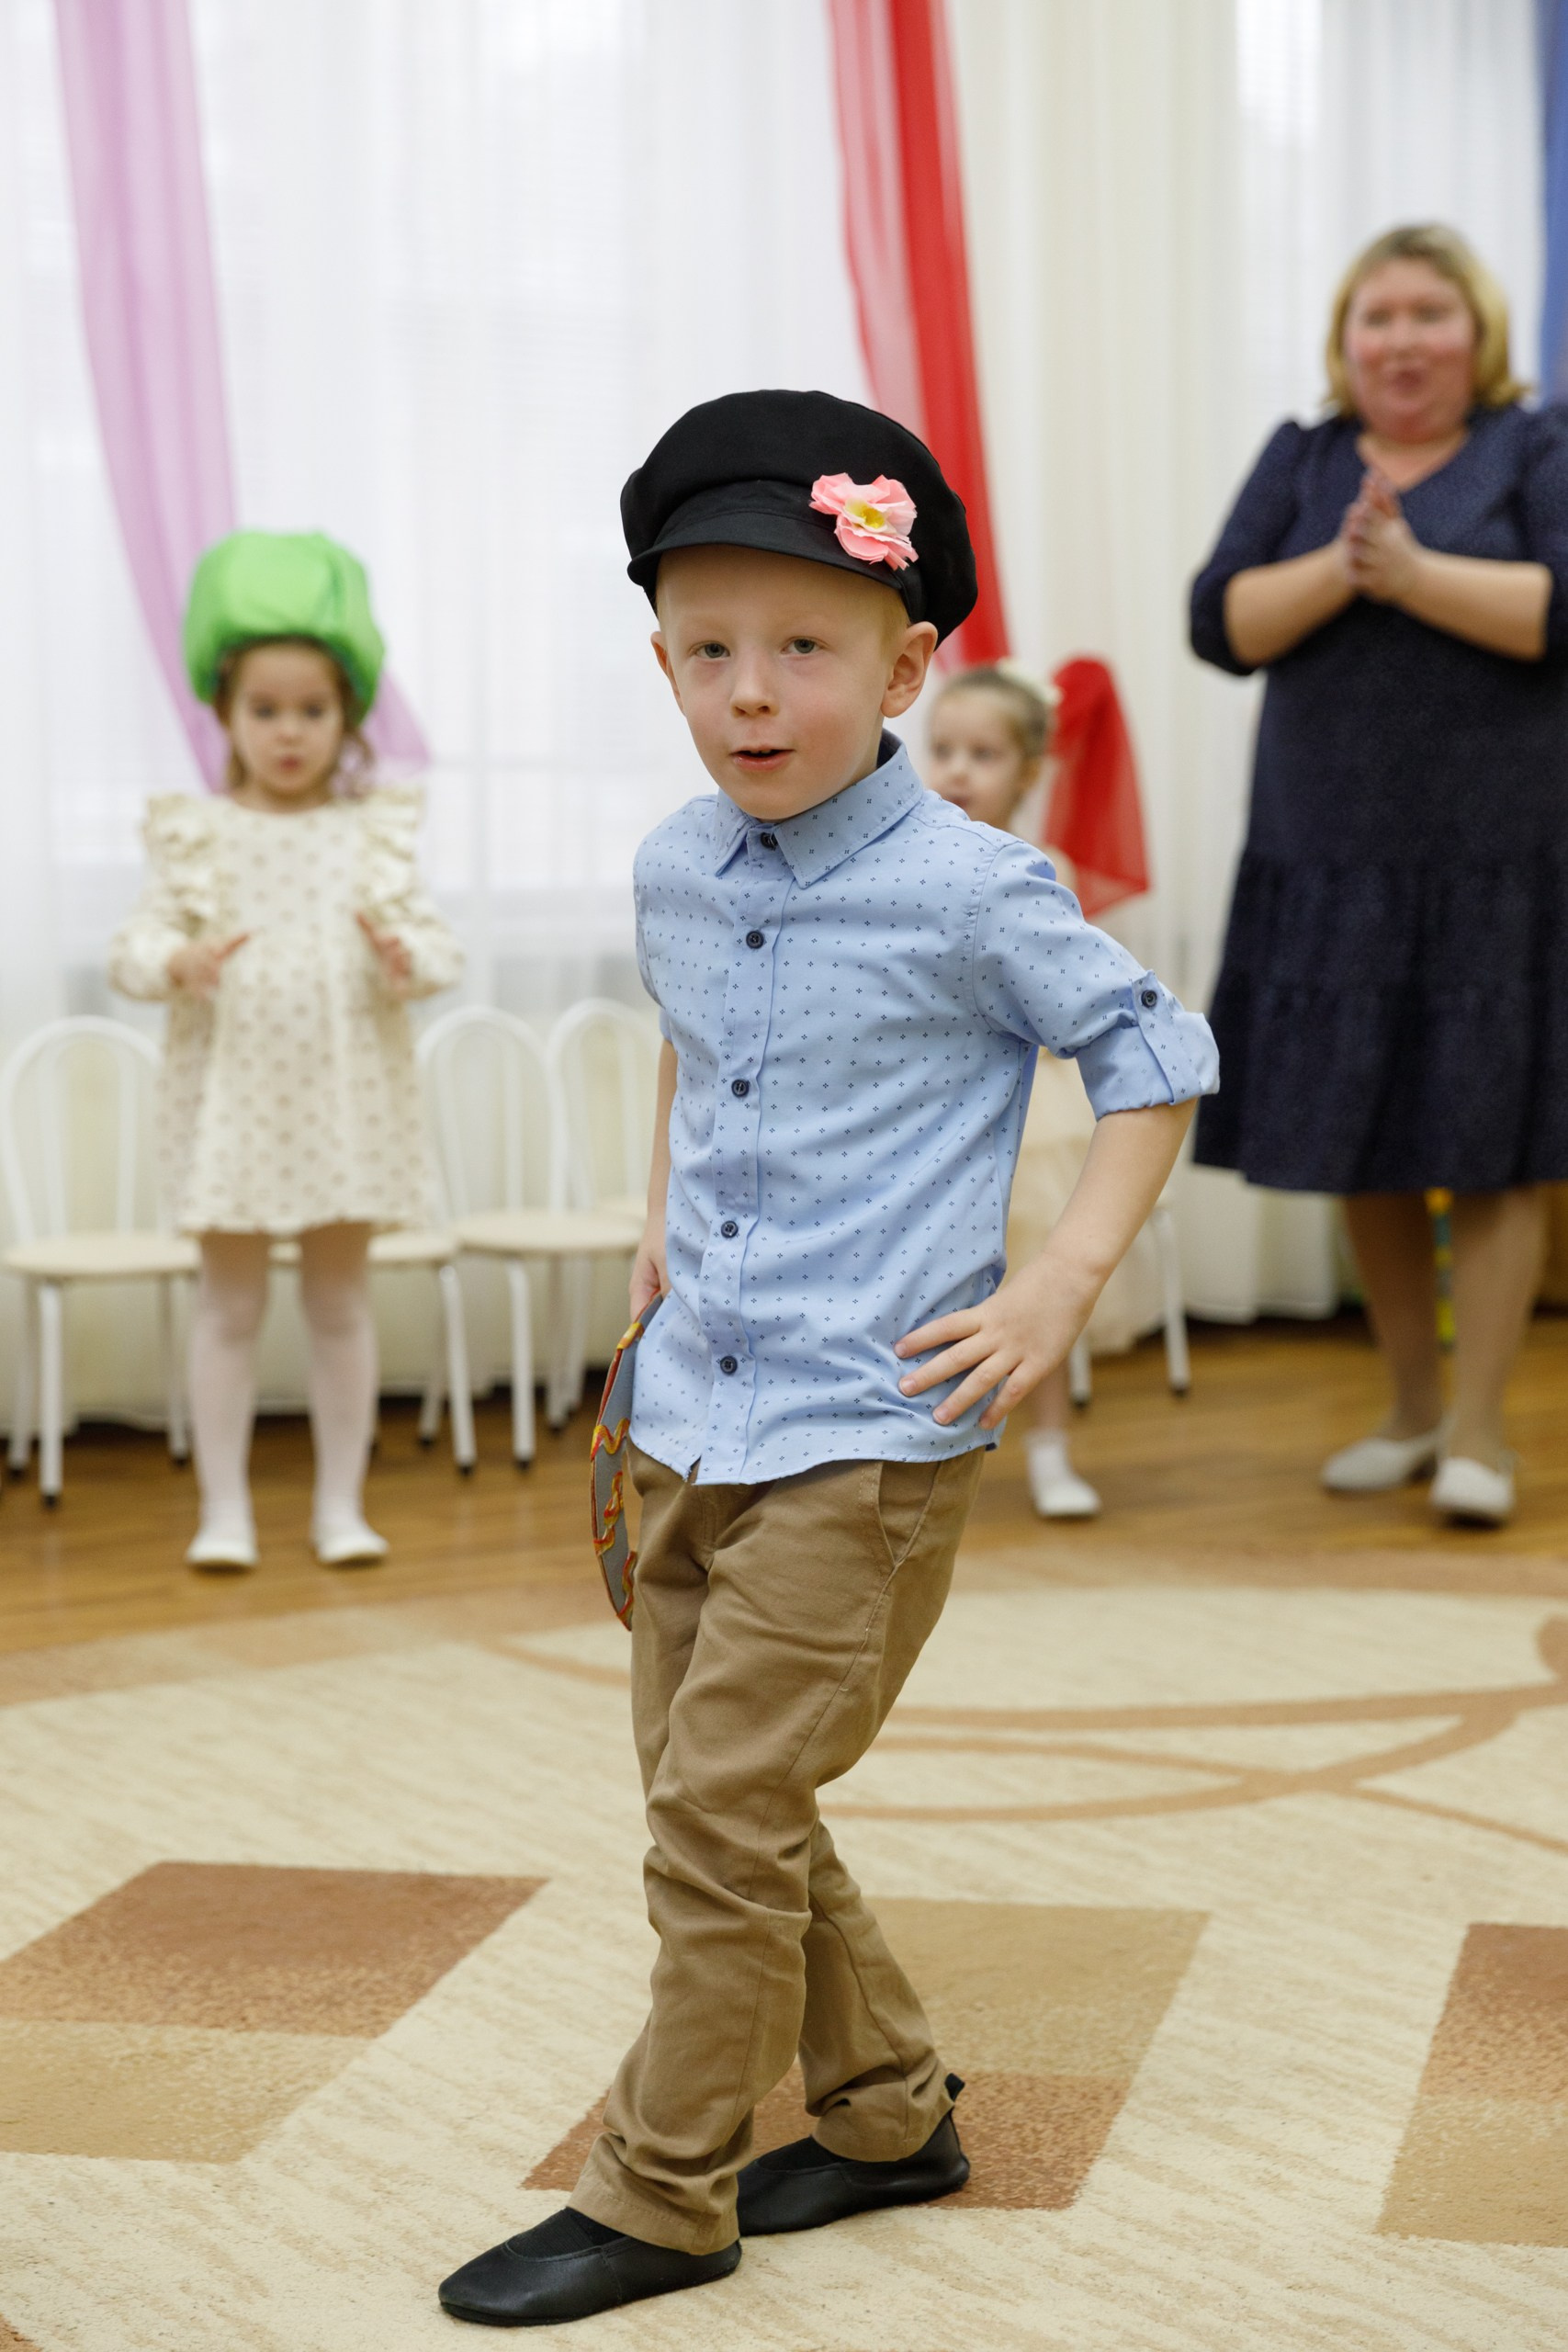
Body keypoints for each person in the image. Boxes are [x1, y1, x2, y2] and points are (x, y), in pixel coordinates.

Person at [438, 390, 1217, 2330]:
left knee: (719, 1815)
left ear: (904, 663)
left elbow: (1154, 1055)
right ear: (661, 664)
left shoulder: (971, 884)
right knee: (723, 1797)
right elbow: (697, 1049)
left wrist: (1057, 1285)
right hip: (690, 1404)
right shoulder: (675, 867)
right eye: (707, 649)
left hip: (867, 1437)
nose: (752, 691)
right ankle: (884, 2118)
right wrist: (656, 1230)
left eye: (802, 646)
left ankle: (660, 2192)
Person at [1190, 222, 1568, 1528]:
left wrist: (1410, 575)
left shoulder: (1534, 445)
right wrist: (1347, 569)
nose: (1402, 339)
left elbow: (1559, 608)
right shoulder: (1302, 457)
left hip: (1494, 856)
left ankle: (1479, 1434)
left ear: (1478, 335)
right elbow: (1220, 621)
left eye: (1429, 314)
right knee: (1365, 1136)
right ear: (1344, 341)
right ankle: (1408, 1409)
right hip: (1326, 852)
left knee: (1493, 1143)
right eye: (1378, 316)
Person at [109, 531, 460, 1571]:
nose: (290, 732)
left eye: (312, 710)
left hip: (346, 1102)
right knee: (228, 1306)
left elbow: (439, 948)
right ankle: (224, 1510)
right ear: (225, 713)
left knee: (341, 1304)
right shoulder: (197, 834)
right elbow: (130, 950)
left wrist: (403, 956)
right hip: (233, 1107)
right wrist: (179, 959)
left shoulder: (371, 834)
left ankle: (340, 1505)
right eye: (265, 710)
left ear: (345, 715)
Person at [927, 661, 1101, 1517]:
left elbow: (1063, 998)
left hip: (1022, 1111)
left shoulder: (1042, 869)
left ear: (1029, 771)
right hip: (928, 1105)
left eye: (983, 754)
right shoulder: (908, 858)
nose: (957, 770)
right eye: (942, 750)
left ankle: (1049, 1447)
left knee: (1028, 1281)